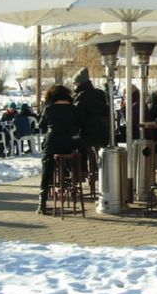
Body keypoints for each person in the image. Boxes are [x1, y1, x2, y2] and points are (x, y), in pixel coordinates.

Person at [37, 84, 77, 215]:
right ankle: (68, 191)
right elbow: (77, 126)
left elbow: (41, 125)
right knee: (67, 164)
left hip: (52, 142)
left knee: (46, 170)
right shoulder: (72, 109)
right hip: (67, 144)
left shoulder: (49, 108)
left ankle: (42, 203)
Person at [72, 67, 111, 156]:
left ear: (79, 83)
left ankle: (82, 168)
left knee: (69, 143)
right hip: (104, 136)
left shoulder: (82, 96)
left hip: (89, 137)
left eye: (74, 84)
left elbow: (77, 118)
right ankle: (92, 165)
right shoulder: (100, 93)